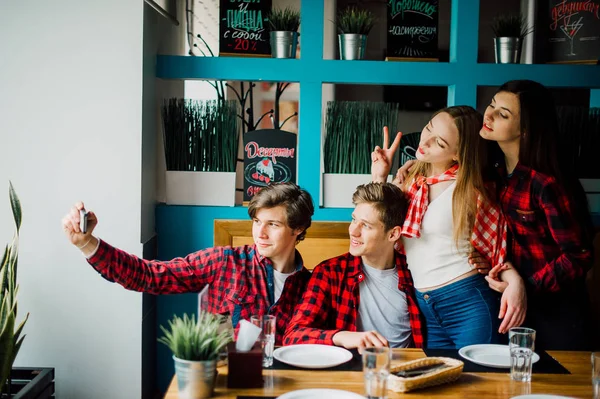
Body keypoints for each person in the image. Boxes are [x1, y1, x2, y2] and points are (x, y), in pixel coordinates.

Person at [61, 182, 315, 345]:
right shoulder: (225, 262)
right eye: (257, 222)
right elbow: (150, 275)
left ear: (298, 229)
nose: (260, 233)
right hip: (226, 384)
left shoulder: (314, 285)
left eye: (273, 224)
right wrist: (87, 244)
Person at [371, 106, 526, 349]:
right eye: (429, 128)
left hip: (467, 302)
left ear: (457, 154)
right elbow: (378, 227)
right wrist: (380, 177)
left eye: (440, 143)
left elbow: (496, 251)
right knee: (442, 382)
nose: (426, 141)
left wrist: (514, 280)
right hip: (425, 306)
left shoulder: (470, 190)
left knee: (480, 383)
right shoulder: (410, 181)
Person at [480, 79, 594, 350]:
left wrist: (525, 286)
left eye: (503, 114)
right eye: (492, 105)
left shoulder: (545, 183)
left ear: (526, 130)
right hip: (508, 303)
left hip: (556, 311)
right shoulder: (492, 171)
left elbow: (579, 256)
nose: (489, 114)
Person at [283, 182, 423, 350]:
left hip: (406, 370)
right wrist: (340, 336)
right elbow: (293, 335)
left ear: (393, 234)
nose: (353, 231)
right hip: (350, 371)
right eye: (354, 219)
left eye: (365, 225)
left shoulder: (414, 273)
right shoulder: (330, 272)